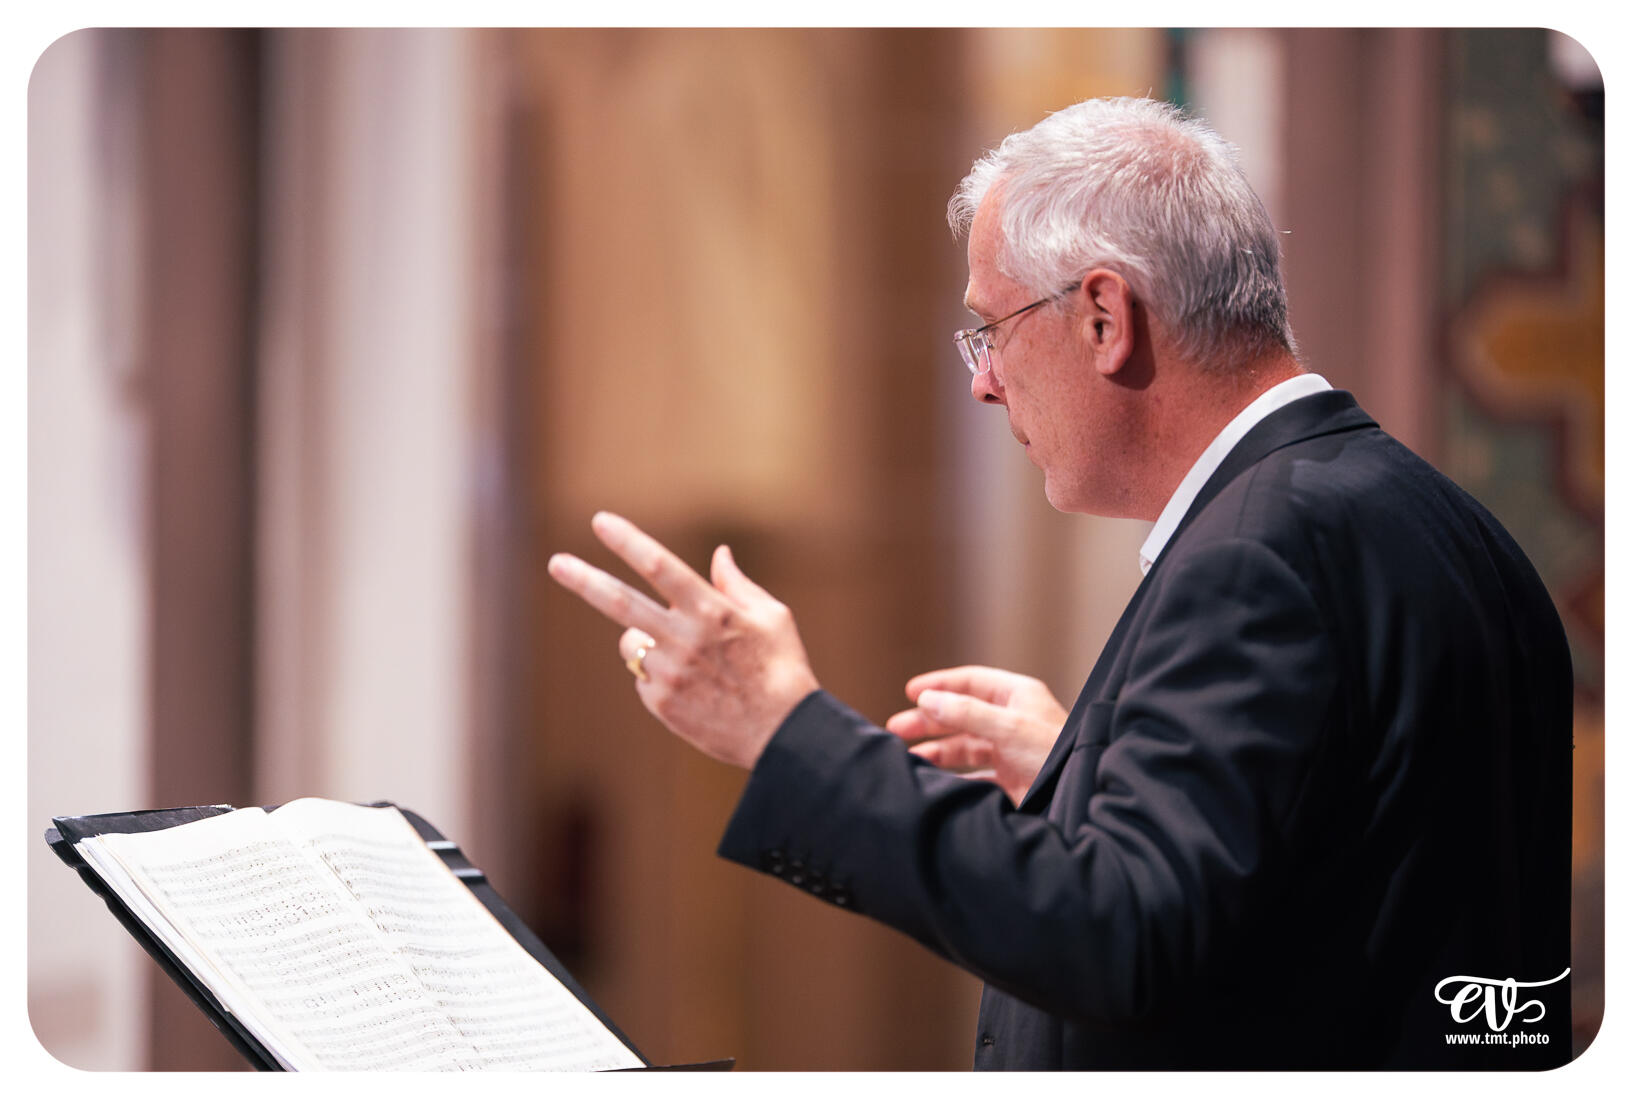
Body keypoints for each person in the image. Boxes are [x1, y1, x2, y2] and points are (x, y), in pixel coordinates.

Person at [546, 96, 1572, 1069]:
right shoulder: (1435, 518)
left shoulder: (1260, 554)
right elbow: (1326, 889)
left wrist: (788, 735)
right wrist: (1082, 780)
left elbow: (1122, 937)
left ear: (1102, 317)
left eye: (992, 329)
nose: (983, 381)